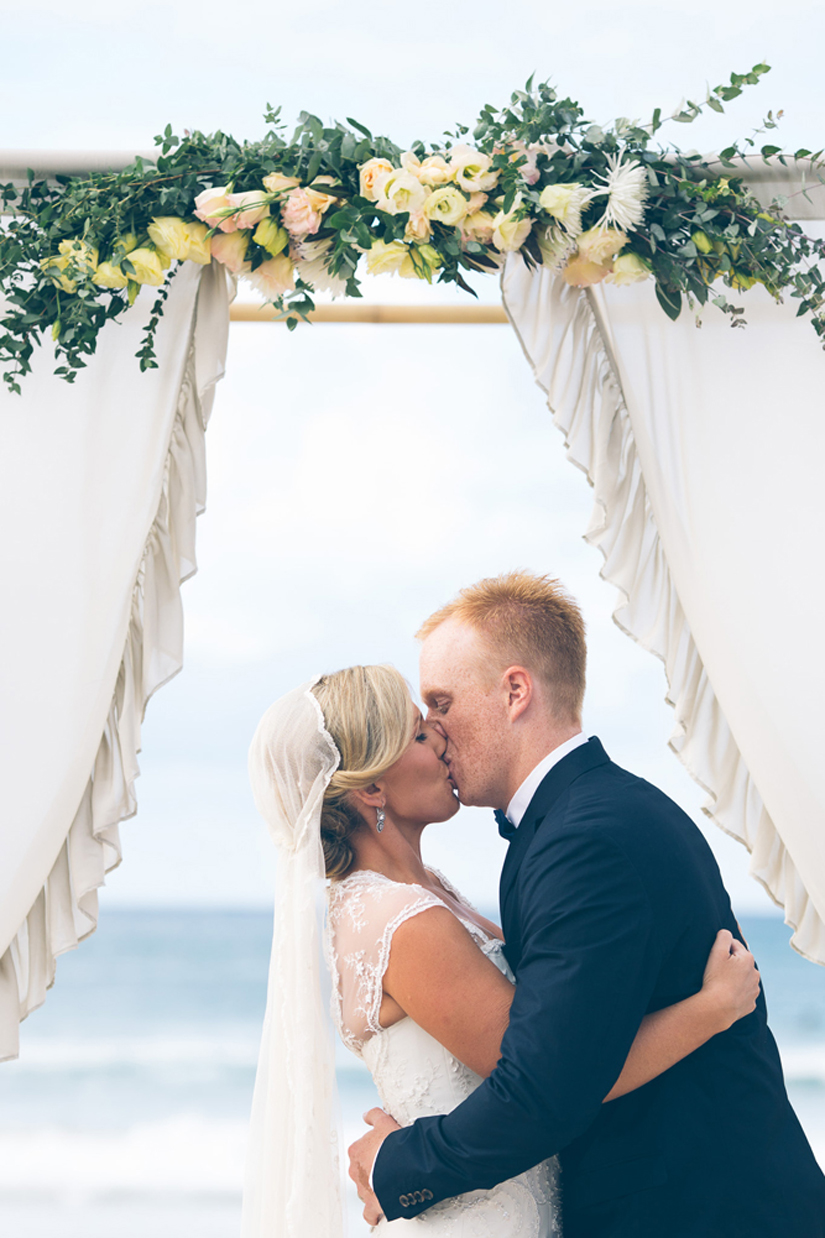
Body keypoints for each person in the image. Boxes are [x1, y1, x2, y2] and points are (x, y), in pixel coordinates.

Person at [348, 571, 825, 1237]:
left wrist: (394, 1167)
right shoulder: (583, 818)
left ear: (515, 692)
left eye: (442, 701)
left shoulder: (583, 841)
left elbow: (544, 1092)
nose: (433, 729)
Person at [242, 659, 761, 1238]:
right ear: (371, 786)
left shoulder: (424, 890)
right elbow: (554, 1082)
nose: (440, 736)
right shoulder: (400, 919)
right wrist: (709, 1012)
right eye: (419, 732)